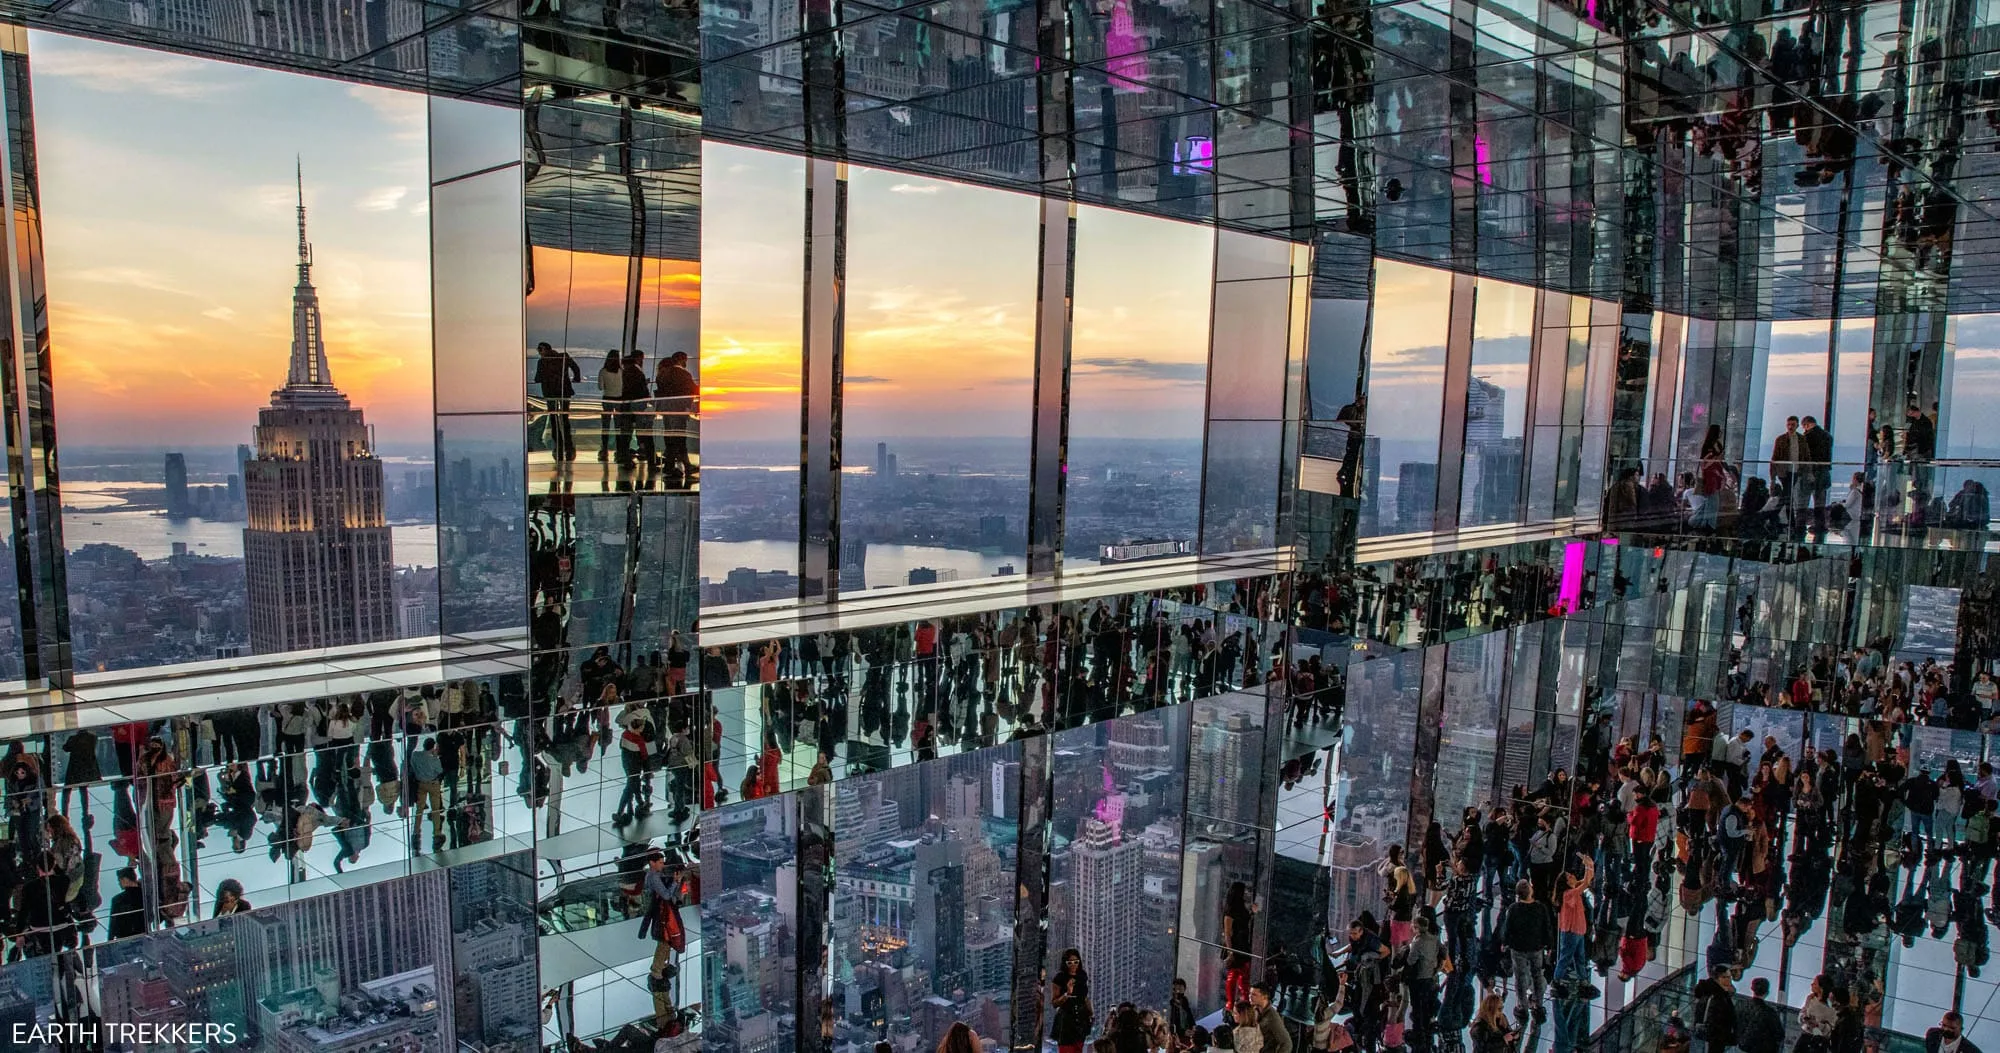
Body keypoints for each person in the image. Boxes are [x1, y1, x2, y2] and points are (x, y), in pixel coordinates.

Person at [1502, 878, 1554, 1022]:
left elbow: (1508, 928)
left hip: (1518, 947)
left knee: (1520, 976)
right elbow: (1547, 927)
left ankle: (1522, 1006)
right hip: (1536, 947)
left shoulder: (1513, 909)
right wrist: (1549, 945)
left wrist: (1505, 942)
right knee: (1537, 974)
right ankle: (1538, 1004)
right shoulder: (1540, 907)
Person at [655, 350, 699, 485]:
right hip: (679, 411)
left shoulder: (663, 373)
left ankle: (676, 465)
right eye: (685, 360)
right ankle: (682, 466)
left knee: (670, 437)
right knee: (679, 438)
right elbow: (694, 390)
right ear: (681, 360)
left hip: (666, 410)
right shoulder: (684, 374)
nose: (686, 362)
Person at [535, 341, 582, 462]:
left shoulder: (542, 362)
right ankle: (569, 446)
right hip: (564, 392)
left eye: (539, 350)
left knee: (554, 418)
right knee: (565, 418)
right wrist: (576, 378)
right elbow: (576, 368)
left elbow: (538, 378)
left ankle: (558, 445)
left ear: (543, 350)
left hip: (550, 394)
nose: (539, 353)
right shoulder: (563, 357)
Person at [1050, 948, 1092, 1053]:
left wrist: (1091, 1013)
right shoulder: (1060, 977)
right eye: (1070, 962)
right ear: (1065, 963)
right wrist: (1067, 994)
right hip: (1066, 1019)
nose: (1073, 965)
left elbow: (1085, 997)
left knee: (1079, 1048)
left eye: (1076, 962)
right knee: (1066, 1048)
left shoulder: (1082, 975)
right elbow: (1054, 1003)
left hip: (1081, 1018)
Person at [1223, 881, 1256, 1004]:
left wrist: (1252, 913)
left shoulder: (1240, 908)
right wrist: (1230, 952)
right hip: (1237, 945)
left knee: (1243, 975)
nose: (1246, 893)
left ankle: (1244, 1000)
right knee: (1234, 975)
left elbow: (1245, 921)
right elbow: (1227, 932)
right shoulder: (1230, 911)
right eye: (1244, 891)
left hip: (1243, 944)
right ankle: (1231, 1003)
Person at [1691, 963, 1736, 1052]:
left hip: (1707, 1040)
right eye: (1728, 977)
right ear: (1720, 978)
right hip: (1712, 1043)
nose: (1730, 980)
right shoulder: (1717, 998)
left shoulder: (1709, 993)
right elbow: (1716, 1024)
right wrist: (1728, 1038)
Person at [1737, 977, 1783, 1053]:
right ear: (1767, 992)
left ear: (1752, 989)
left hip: (1743, 1047)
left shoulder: (1741, 1005)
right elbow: (1779, 1034)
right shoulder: (1770, 1012)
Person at [1250, 984, 1293, 1053]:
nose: (1250, 997)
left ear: (1264, 997)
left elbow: (1287, 1043)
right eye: (1250, 994)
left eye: (1254, 995)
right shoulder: (1255, 1011)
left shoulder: (1272, 1017)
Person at [596, 350, 623, 461]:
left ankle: (604, 450)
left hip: (607, 399)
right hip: (619, 400)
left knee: (605, 426)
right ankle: (619, 450)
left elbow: (600, 387)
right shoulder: (621, 371)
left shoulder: (603, 371)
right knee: (618, 426)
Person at [108, 867, 147, 940]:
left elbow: (113, 925)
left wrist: (109, 943)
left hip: (125, 940)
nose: (119, 883)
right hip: (145, 936)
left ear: (125, 879)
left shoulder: (118, 900)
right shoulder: (146, 895)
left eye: (120, 880)